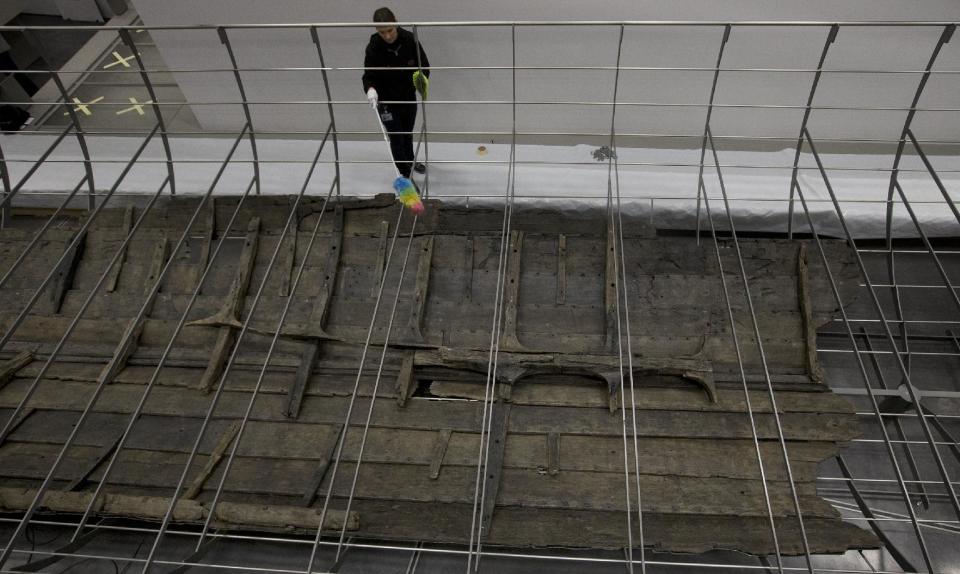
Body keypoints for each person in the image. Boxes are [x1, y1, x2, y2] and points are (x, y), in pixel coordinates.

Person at [362, 7, 429, 179]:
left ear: (396, 22)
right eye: (382, 32)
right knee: (396, 137)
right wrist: (370, 89)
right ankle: (405, 175)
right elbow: (369, 74)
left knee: (407, 132)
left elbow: (424, 66)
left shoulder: (409, 40)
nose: (387, 36)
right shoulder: (374, 46)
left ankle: (410, 160)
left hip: (407, 97)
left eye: (390, 30)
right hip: (386, 101)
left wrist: (421, 81)